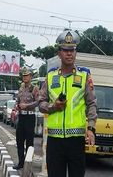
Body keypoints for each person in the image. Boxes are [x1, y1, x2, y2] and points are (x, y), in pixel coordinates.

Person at [39, 30, 97, 177]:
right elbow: (41, 103)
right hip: (55, 142)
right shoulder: (50, 76)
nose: (69, 54)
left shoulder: (84, 76)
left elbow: (92, 104)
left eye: (72, 50)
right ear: (59, 53)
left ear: (76, 53)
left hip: (76, 141)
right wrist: (54, 107)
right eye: (65, 50)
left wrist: (90, 129)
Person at [13, 67, 40, 170]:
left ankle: (28, 164)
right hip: (22, 116)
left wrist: (27, 106)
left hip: (30, 116)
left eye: (27, 75)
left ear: (30, 77)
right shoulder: (21, 87)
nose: (25, 77)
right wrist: (17, 105)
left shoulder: (34, 88)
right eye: (23, 76)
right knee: (19, 140)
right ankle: (21, 163)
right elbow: (18, 99)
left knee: (29, 142)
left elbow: (38, 102)